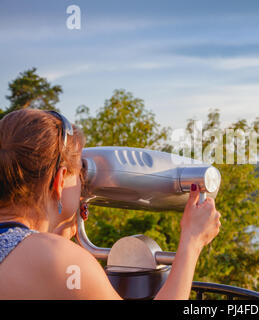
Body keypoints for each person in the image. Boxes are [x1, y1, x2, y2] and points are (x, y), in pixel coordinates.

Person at [0, 108, 221, 299]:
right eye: (79, 173)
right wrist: (192, 242)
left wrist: (56, 232)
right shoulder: (63, 261)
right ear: (59, 181)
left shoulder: (49, 258)